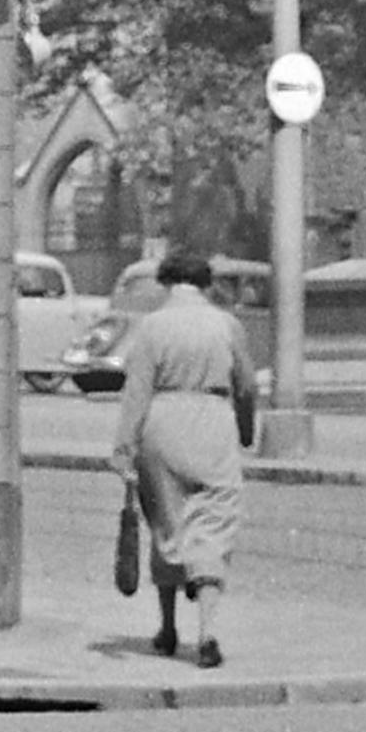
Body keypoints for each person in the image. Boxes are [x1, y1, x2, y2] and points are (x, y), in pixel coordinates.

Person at [108, 251, 259, 669]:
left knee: (167, 524)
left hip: (162, 423)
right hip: (212, 422)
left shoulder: (152, 326)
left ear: (166, 283)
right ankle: (207, 632)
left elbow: (136, 391)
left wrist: (124, 448)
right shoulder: (227, 325)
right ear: (206, 284)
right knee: (214, 520)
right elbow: (246, 386)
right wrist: (246, 430)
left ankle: (168, 628)